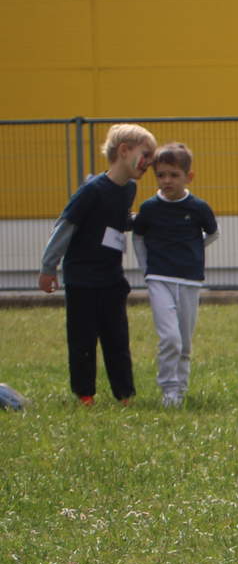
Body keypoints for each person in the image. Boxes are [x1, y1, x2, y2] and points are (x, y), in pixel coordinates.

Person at [39, 123, 157, 405]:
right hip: (82, 280)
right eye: (146, 155)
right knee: (82, 340)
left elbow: (117, 221)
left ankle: (124, 395)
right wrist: (48, 267)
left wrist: (142, 220)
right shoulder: (92, 191)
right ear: (124, 151)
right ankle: (85, 394)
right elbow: (65, 228)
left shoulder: (129, 189)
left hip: (112, 279)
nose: (149, 163)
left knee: (117, 339)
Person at [130, 142, 219, 409]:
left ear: (188, 177)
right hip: (159, 279)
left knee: (184, 341)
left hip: (189, 281)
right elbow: (138, 236)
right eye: (161, 175)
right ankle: (168, 389)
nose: (167, 180)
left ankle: (180, 389)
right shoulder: (149, 208)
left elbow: (212, 233)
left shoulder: (198, 208)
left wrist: (191, 251)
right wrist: (146, 269)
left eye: (174, 175)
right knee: (169, 338)